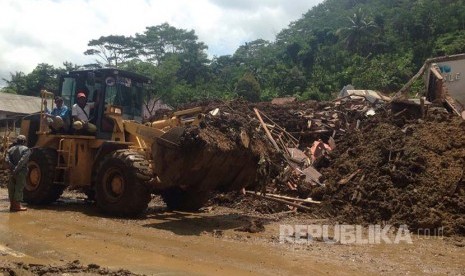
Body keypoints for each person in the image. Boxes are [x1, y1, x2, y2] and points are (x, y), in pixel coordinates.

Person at [5, 135, 31, 212]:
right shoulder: (26, 149)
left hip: (11, 172)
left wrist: (13, 168)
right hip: (21, 172)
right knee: (19, 188)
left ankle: (12, 206)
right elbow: (22, 161)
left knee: (11, 188)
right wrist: (16, 169)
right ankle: (17, 206)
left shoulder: (10, 149)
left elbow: (6, 160)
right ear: (24, 141)